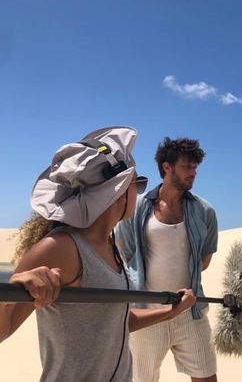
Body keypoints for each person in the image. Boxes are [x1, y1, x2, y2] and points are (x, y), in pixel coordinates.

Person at [0, 126, 196, 382]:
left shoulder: (112, 246)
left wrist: (172, 311)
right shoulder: (60, 248)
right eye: (137, 183)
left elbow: (115, 322)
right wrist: (12, 291)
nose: (139, 193)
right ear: (117, 193)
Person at [116, 136, 218, 382]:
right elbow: (124, 256)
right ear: (167, 167)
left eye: (195, 167)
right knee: (142, 379)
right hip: (146, 312)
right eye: (187, 167)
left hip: (190, 312)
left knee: (206, 376)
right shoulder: (137, 208)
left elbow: (204, 259)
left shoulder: (205, 211)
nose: (193, 172)